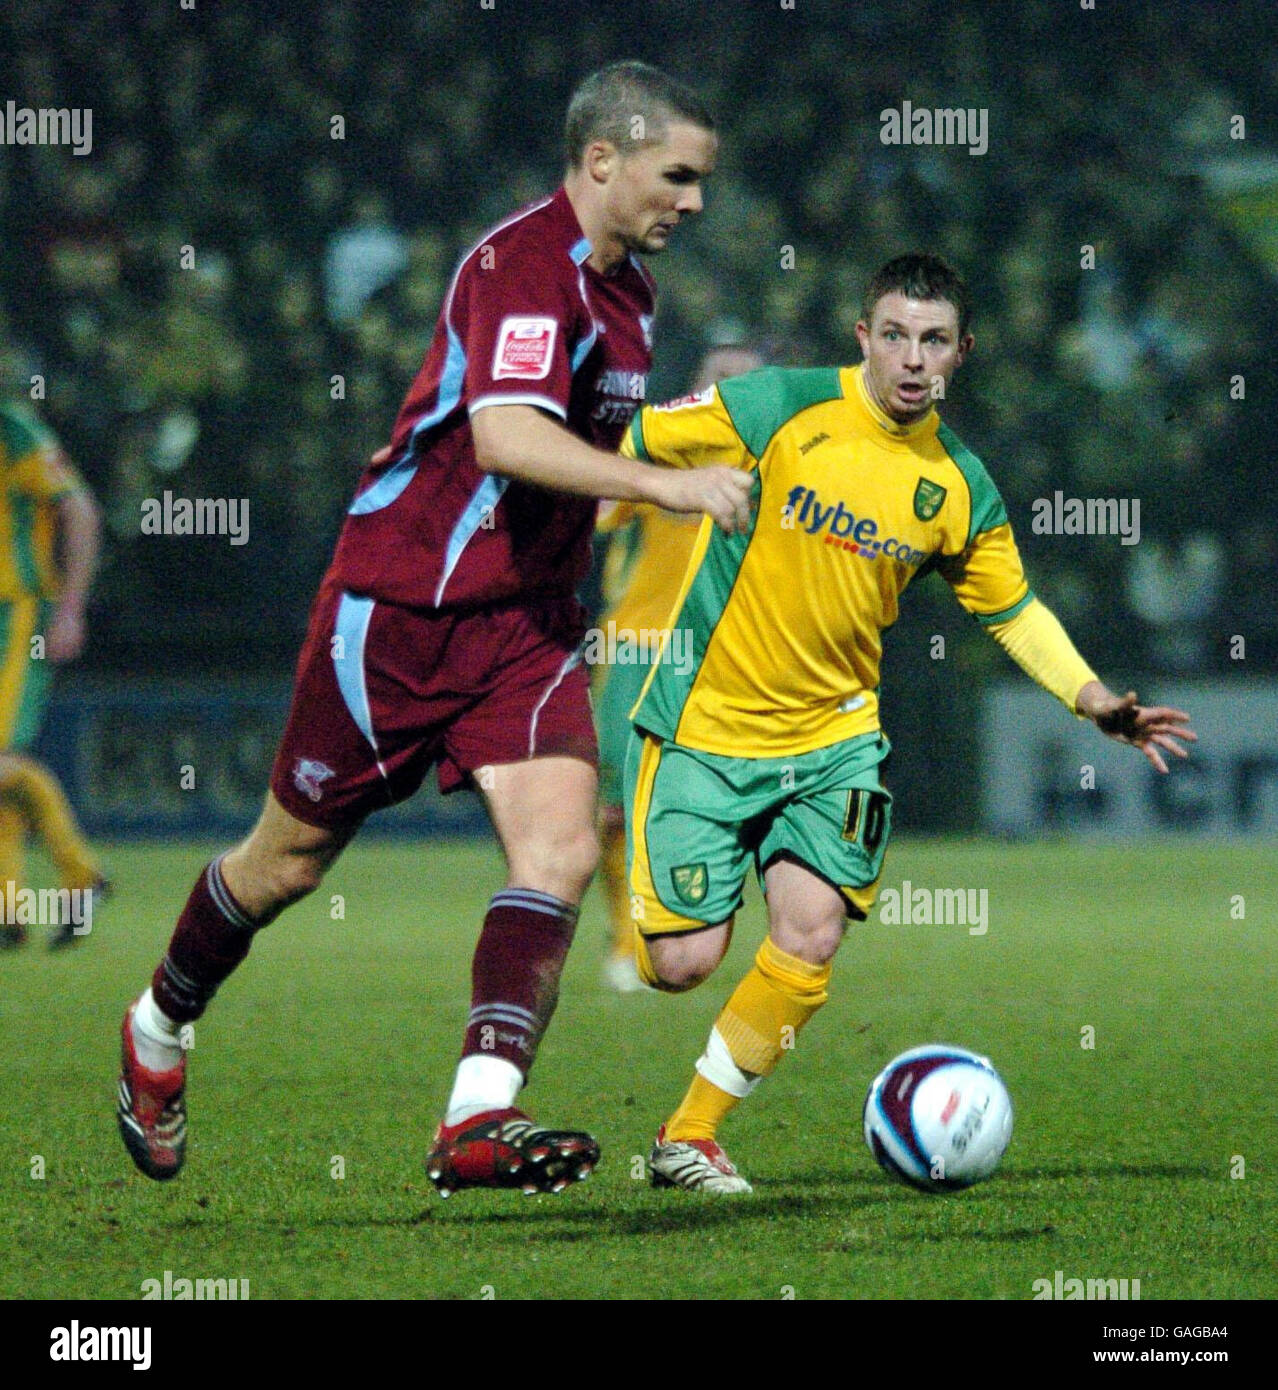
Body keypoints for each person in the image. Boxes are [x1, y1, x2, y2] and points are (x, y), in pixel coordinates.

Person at [115, 60, 751, 1196]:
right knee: (286, 863)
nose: (696, 202)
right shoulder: (518, 266)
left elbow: (562, 454)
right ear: (603, 159)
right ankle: (159, 1027)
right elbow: (507, 437)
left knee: (558, 850)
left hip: (529, 628)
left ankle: (476, 1117)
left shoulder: (633, 296)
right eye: (680, 175)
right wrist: (671, 485)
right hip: (404, 612)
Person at [618, 253, 1197, 1192]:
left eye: (933, 341)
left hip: (834, 742)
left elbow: (1012, 609)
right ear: (864, 338)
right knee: (681, 963)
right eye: (895, 335)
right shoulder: (777, 406)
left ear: (961, 353)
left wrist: (1093, 697)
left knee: (808, 938)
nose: (912, 359)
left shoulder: (960, 485)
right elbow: (631, 437)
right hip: (703, 728)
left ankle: (690, 1136)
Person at [593, 341, 764, 992]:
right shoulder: (658, 443)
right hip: (636, 647)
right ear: (697, 382)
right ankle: (623, 941)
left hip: (722, 654)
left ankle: (694, 929)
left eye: (744, 381)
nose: (730, 391)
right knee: (614, 807)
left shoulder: (776, 462)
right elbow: (598, 516)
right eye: (719, 376)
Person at [0, 399, 105, 950]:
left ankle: (81, 875)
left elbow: (80, 510)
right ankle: (8, 910)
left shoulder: (16, 432)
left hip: (15, 613)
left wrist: (69, 608)